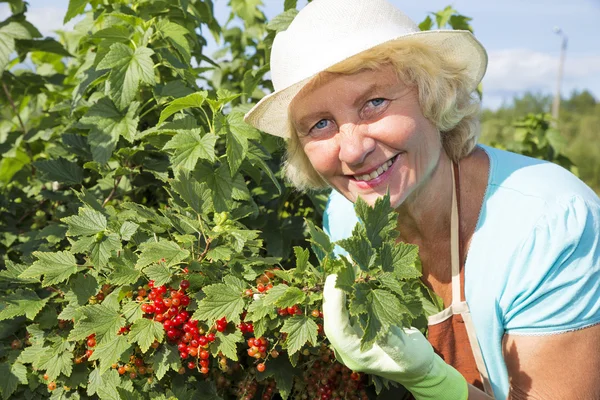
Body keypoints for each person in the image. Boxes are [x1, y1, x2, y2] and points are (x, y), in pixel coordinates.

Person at [244, 0, 600, 398]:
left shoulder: (548, 225)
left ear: (434, 97)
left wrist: (431, 380)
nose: (352, 151)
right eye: (320, 124)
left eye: (373, 103)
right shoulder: (344, 216)